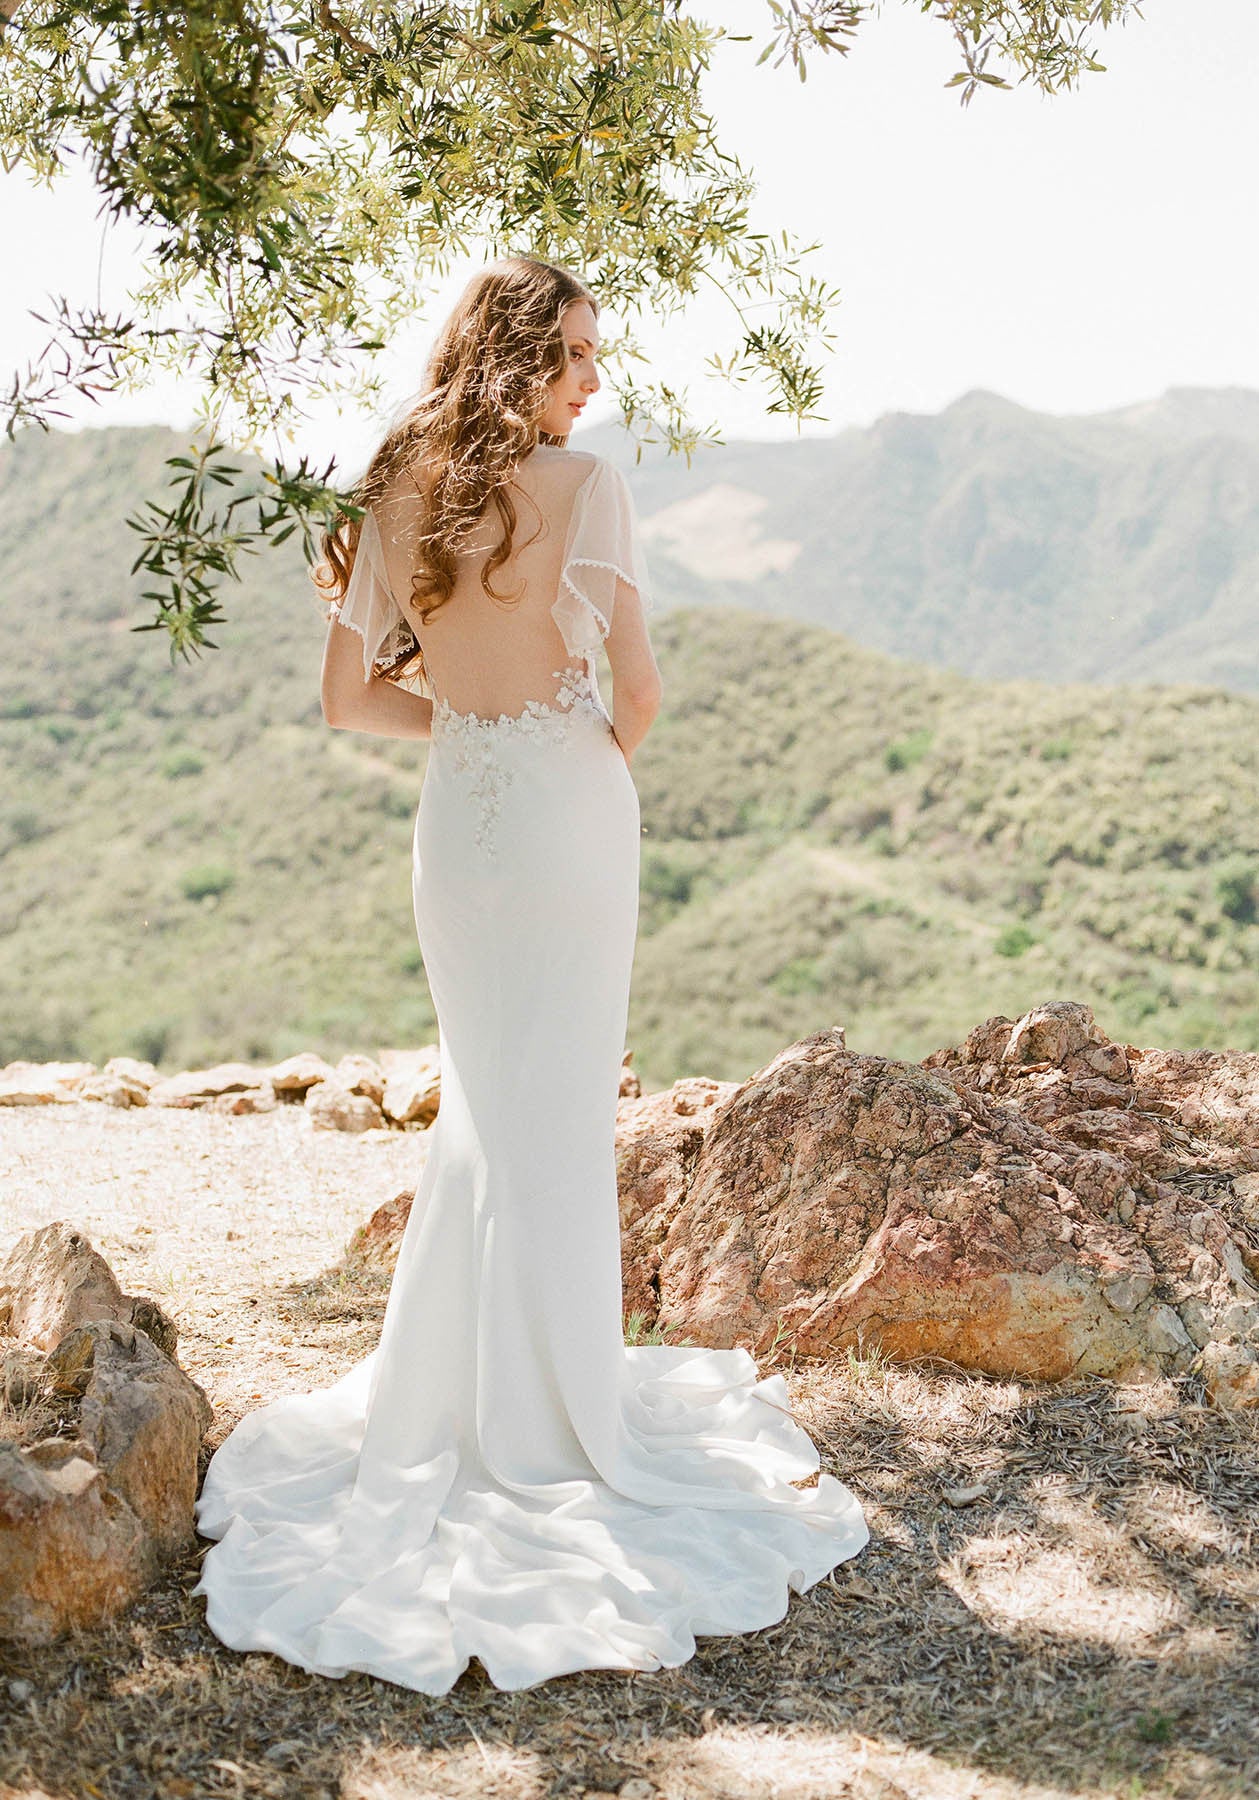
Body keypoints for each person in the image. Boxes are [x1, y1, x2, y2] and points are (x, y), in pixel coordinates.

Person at [191, 255, 869, 1694]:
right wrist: (563, 751)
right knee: (551, 1119)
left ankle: (461, 1410)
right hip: (566, 815)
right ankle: (559, 1426)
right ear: (512, 357)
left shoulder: (391, 480)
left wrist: (470, 721)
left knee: (491, 1115)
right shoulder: (588, 489)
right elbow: (639, 694)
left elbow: (347, 698)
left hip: (461, 826)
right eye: (572, 355)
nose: (593, 382)